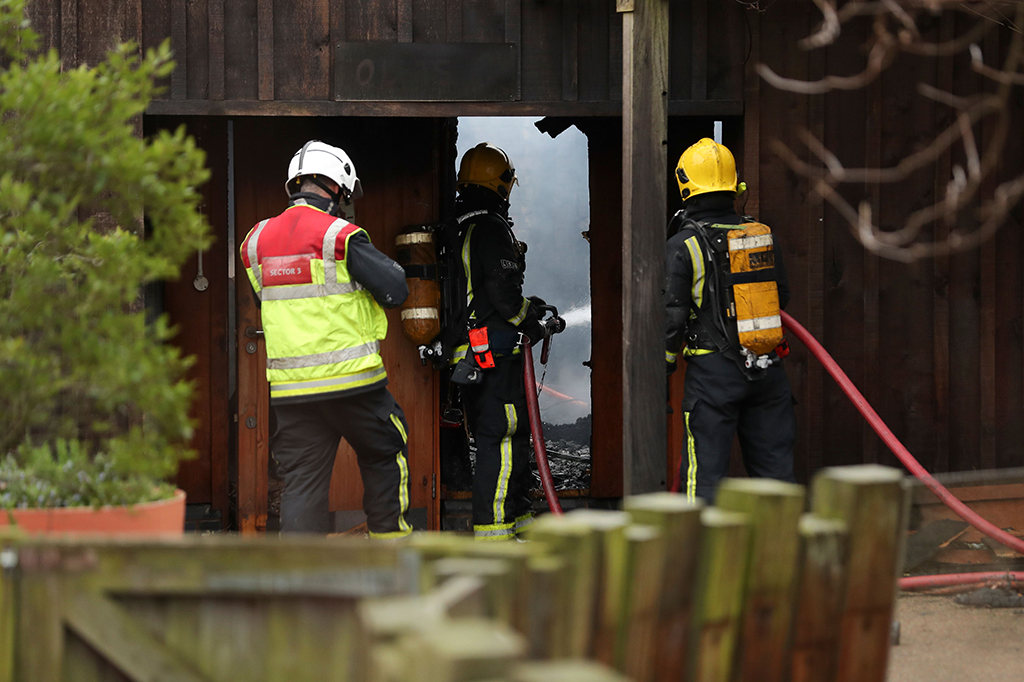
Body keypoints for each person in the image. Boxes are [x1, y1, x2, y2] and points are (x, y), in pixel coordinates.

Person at [240, 140, 413, 536]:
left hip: (292, 392)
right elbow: (395, 290)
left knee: (302, 483)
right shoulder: (340, 235)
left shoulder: (254, 243)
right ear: (337, 187)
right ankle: (392, 553)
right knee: (385, 451)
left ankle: (301, 580)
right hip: (354, 384)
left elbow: (266, 301)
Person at [665, 138, 796, 504]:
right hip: (768, 369)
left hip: (714, 375)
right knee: (775, 478)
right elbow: (781, 296)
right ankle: (779, 555)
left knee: (704, 478)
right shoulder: (758, 234)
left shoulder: (684, 245)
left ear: (685, 185)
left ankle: (699, 557)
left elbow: (670, 318)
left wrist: (661, 369)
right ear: (733, 184)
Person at [449, 142, 554, 541]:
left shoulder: (463, 225)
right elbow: (504, 295)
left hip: (478, 354)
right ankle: (494, 532)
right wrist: (533, 320)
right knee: (502, 437)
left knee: (513, 434)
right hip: (493, 353)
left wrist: (532, 310)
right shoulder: (491, 230)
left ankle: (519, 514)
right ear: (502, 184)